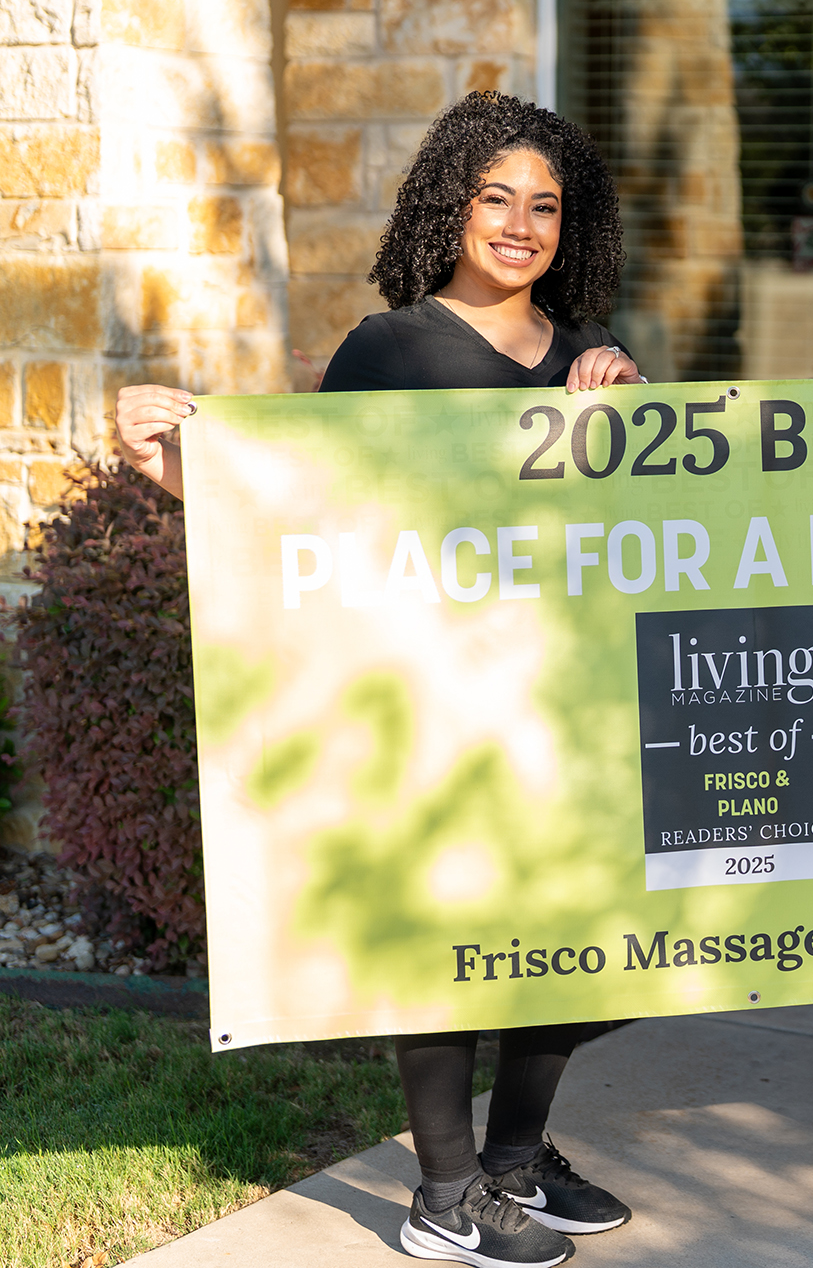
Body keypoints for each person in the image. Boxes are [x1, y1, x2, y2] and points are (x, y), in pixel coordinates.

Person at [115, 90, 643, 1268]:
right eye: (495, 197)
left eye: (545, 205)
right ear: (450, 207)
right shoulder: (390, 348)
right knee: (452, 936)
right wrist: (176, 467)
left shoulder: (586, 361)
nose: (519, 223)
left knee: (582, 941)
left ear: (573, 226)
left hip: (565, 703)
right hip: (431, 697)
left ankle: (517, 1162)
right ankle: (446, 1193)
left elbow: (642, 533)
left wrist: (627, 411)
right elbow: (302, 510)